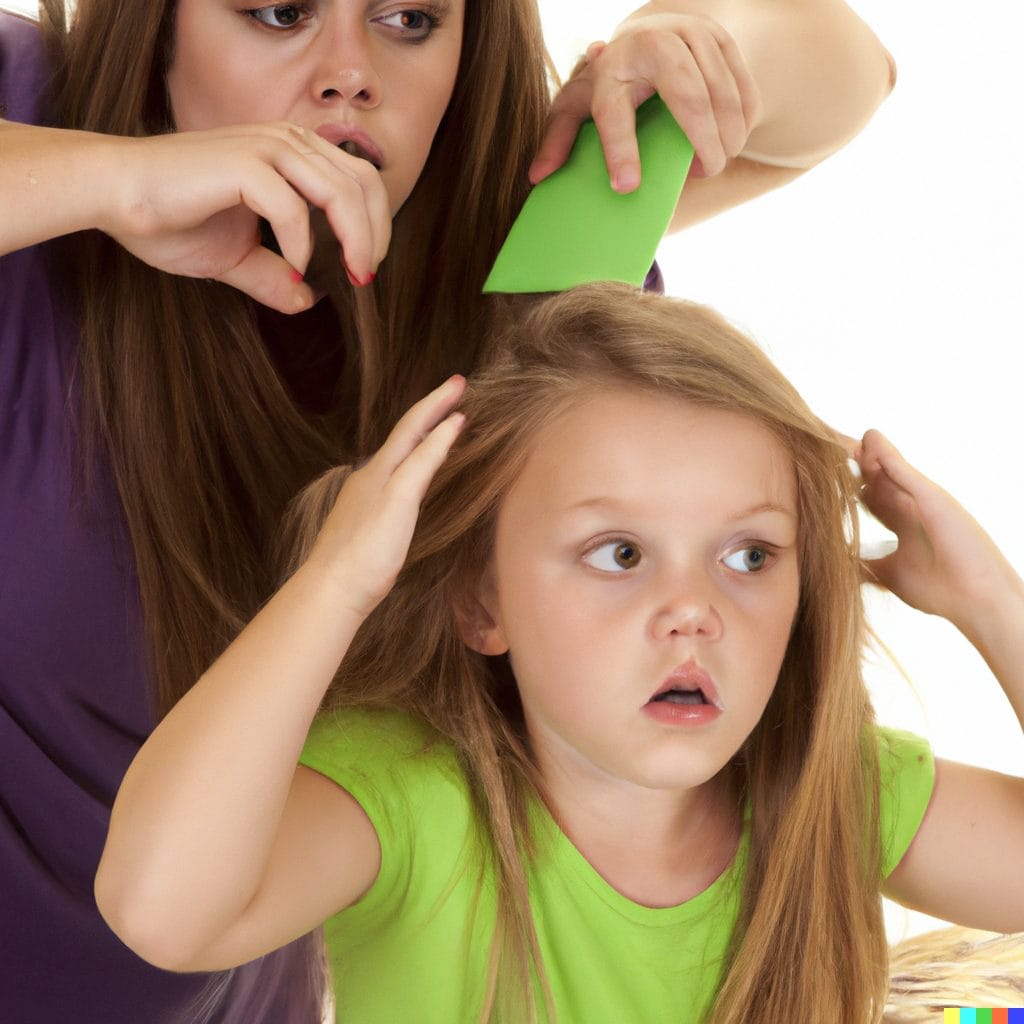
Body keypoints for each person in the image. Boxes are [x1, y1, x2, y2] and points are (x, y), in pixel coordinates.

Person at [0, 0, 896, 1019]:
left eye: (411, 20)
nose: (350, 73)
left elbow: (851, 75)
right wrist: (116, 179)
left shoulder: (515, 283)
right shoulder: (33, 130)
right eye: (279, 13)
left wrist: (702, 36)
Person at [96, 284, 1024, 1022]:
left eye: (749, 555)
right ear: (480, 602)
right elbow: (163, 913)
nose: (694, 612)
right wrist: (337, 581)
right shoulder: (414, 801)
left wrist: (991, 601)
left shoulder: (834, 789)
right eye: (619, 555)